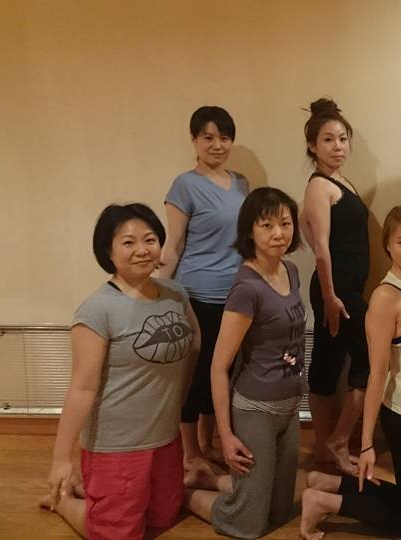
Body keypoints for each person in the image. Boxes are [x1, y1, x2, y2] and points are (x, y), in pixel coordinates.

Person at [41, 204, 200, 540]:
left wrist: (180, 400)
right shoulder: (97, 309)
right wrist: (61, 459)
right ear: (108, 252)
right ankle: (65, 501)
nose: (142, 250)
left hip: (165, 438)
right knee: (117, 534)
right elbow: (82, 388)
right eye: (129, 242)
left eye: (149, 239)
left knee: (163, 518)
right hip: (116, 446)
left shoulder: (176, 294)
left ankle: (95, 493)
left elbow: (194, 343)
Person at [299, 204, 401, 540]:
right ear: (387, 244)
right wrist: (367, 443)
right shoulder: (387, 298)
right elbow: (376, 374)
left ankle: (327, 484)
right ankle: (323, 501)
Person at [184, 187, 306, 539]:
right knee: (247, 524)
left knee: (279, 511)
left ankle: (211, 480)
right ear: (250, 231)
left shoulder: (291, 271)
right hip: (256, 410)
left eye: (285, 223)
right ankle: (184, 494)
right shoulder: (246, 289)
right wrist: (225, 436)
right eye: (267, 225)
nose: (278, 233)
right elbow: (218, 367)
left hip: (289, 407)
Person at [159, 105, 250, 487]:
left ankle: (209, 443)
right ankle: (191, 454)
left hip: (237, 294)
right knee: (197, 376)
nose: (217, 145)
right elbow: (174, 245)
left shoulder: (241, 183)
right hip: (197, 293)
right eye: (208, 137)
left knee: (224, 371)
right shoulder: (184, 185)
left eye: (224, 137)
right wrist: (159, 294)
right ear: (194, 140)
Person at [300, 98, 370, 474]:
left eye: (342, 139)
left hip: (345, 285)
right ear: (313, 146)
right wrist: (329, 296)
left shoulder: (341, 181)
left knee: (326, 362)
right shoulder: (319, 186)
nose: (337, 146)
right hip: (337, 289)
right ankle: (339, 441)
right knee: (370, 358)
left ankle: (324, 446)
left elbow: (305, 224)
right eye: (328, 140)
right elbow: (321, 248)